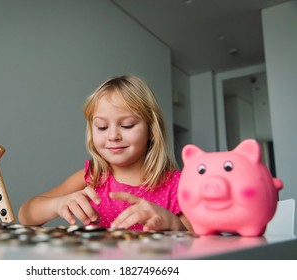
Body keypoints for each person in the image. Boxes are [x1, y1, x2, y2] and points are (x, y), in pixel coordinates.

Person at [18, 75, 192, 232]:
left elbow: (196, 243)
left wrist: (172, 223)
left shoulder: (177, 185)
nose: (113, 136)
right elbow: (25, 215)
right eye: (102, 127)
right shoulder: (92, 176)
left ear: (151, 131)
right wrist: (57, 204)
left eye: (127, 125)